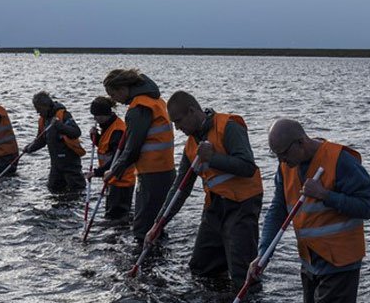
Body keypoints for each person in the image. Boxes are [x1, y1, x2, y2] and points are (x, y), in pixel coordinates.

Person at [251, 118, 370, 303]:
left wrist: (326, 195)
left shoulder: (340, 161)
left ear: (300, 143)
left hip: (340, 263)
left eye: (284, 154)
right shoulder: (286, 166)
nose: (281, 161)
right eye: (276, 155)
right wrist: (264, 252)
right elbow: (277, 210)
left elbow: (366, 207)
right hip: (310, 262)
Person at [164, 90, 264, 282]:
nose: (177, 128)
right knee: (201, 267)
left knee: (242, 273)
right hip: (214, 206)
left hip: (241, 205)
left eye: (178, 121)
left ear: (192, 111)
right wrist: (160, 223)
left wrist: (213, 158)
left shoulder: (228, 126)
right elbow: (180, 188)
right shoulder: (191, 145)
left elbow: (248, 167)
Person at [102, 69, 176, 244]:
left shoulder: (139, 108)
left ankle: (144, 263)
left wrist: (114, 171)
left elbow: (132, 149)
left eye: (113, 94)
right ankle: (159, 260)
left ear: (122, 89)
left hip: (152, 172)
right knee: (156, 222)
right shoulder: (155, 100)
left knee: (143, 227)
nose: (114, 100)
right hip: (165, 169)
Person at [23, 91, 86, 194]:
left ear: (46, 106)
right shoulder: (43, 120)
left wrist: (60, 126)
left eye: (38, 109)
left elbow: (76, 132)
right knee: (53, 189)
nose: (37, 112)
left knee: (77, 191)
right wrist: (30, 148)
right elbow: (41, 140)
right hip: (56, 164)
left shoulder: (63, 115)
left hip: (70, 163)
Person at [89, 96, 135, 220]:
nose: (95, 119)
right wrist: (95, 137)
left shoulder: (117, 131)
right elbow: (106, 148)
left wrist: (96, 172)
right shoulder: (108, 126)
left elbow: (116, 158)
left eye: (97, 116)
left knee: (116, 216)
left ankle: (117, 237)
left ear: (105, 114)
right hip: (112, 178)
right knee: (113, 215)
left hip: (121, 180)